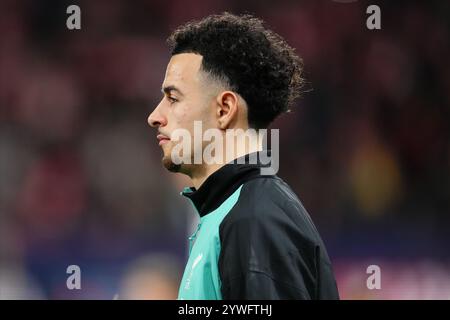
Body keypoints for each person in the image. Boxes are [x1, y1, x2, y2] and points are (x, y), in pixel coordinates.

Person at [148, 12, 339, 299]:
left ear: (224, 109)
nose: (155, 116)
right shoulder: (227, 215)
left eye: (173, 98)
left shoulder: (253, 222)